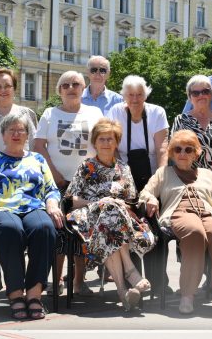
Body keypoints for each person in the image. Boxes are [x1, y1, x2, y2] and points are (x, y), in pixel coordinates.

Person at [141, 129, 212, 318]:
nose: (183, 153)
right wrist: (151, 199)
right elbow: (145, 192)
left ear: (197, 153)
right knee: (195, 232)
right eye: (178, 149)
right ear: (172, 153)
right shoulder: (163, 173)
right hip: (180, 212)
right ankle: (187, 295)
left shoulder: (207, 174)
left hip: (208, 213)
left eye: (188, 149)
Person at [0, 113, 62, 320]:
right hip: (1, 209)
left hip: (33, 207)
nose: (16, 133)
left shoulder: (37, 159)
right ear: (2, 135)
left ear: (27, 134)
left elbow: (51, 188)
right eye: (11, 130)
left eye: (21, 130)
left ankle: (34, 294)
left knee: (44, 228)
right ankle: (15, 293)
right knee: (11, 229)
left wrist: (52, 204)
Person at [65, 118, 155, 311]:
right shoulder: (86, 167)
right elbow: (71, 199)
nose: (106, 143)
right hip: (88, 216)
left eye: (110, 139)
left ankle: (123, 291)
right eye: (102, 139)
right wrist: (98, 203)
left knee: (111, 216)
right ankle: (131, 273)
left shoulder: (124, 168)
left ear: (116, 143)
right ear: (95, 142)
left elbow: (132, 199)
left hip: (119, 218)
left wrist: (116, 204)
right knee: (109, 211)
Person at [34, 70, 103, 295]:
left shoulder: (95, 112)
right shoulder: (49, 114)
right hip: (56, 184)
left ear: (84, 89)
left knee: (81, 231)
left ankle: (79, 281)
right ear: (59, 90)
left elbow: (104, 143)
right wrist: (54, 175)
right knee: (59, 231)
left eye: (76, 84)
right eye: (65, 85)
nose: (71, 88)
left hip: (87, 185)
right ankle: (57, 280)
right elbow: (39, 147)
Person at [106, 75, 169, 192]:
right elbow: (111, 146)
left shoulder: (157, 112)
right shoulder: (115, 112)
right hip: (122, 174)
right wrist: (122, 175)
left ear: (145, 96)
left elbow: (162, 149)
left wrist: (160, 179)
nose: (135, 99)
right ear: (124, 96)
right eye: (131, 95)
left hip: (153, 174)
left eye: (139, 94)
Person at [172, 74, 212, 186]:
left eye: (205, 91)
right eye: (195, 93)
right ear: (189, 97)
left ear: (211, 94)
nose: (201, 95)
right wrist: (193, 180)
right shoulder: (181, 120)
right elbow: (174, 152)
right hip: (187, 184)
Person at [0, 67, 38, 152]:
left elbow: (37, 145)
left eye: (7, 86)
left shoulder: (28, 114)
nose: (3, 90)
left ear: (14, 89)